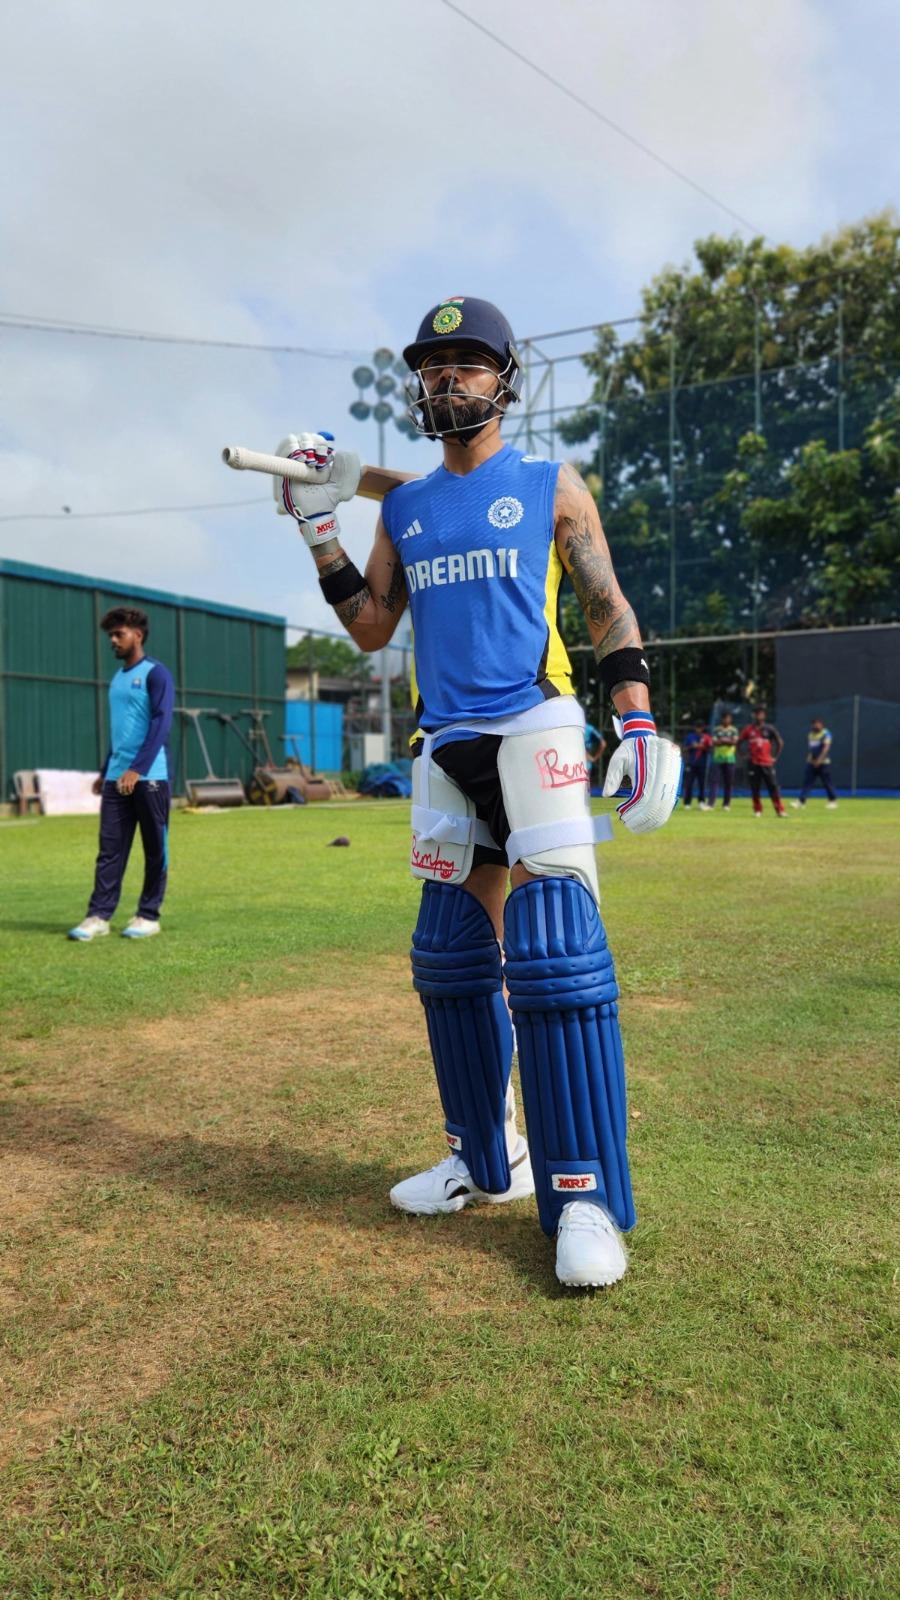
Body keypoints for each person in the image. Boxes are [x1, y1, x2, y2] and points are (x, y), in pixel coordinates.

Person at [273, 296, 681, 1290]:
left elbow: (607, 607)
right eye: (431, 365)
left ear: (505, 379)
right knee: (452, 957)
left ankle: (583, 1194)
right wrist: (320, 526)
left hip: (535, 726)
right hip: (445, 741)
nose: (445, 378)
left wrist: (635, 722)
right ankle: (484, 1159)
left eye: (467, 363)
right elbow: (370, 627)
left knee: (553, 951)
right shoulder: (405, 509)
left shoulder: (551, 486)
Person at [68, 607, 175, 941]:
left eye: (119, 634)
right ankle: (98, 916)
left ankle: (148, 915)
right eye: (110, 635)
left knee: (155, 847)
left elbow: (161, 724)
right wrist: (106, 770)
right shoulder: (117, 678)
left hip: (149, 777)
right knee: (110, 849)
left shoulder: (156, 673)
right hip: (118, 777)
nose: (113, 641)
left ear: (137, 635)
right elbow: (122, 733)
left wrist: (137, 769)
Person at [738, 704, 786, 817]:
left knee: (773, 786)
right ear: (753, 715)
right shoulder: (748, 729)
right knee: (755, 787)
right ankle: (757, 810)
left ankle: (780, 810)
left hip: (767, 763)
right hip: (753, 763)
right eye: (756, 713)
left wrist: (774, 757)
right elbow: (739, 743)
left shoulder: (769, 729)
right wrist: (743, 755)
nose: (758, 715)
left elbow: (780, 742)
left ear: (764, 715)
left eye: (761, 713)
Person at [791, 717, 838, 808]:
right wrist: (812, 761)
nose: (816, 725)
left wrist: (819, 761)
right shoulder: (810, 734)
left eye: (818, 723)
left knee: (827, 782)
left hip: (824, 763)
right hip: (812, 763)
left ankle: (832, 801)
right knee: (807, 782)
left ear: (822, 724)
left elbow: (826, 748)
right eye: (814, 724)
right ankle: (801, 801)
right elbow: (812, 749)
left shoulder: (826, 734)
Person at [705, 710, 738, 810]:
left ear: (730, 719)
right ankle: (711, 804)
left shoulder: (733, 730)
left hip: (730, 759)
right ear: (722, 719)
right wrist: (726, 741)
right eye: (725, 718)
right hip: (717, 759)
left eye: (728, 718)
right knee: (714, 782)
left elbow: (734, 742)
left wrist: (722, 740)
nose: (726, 720)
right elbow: (715, 742)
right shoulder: (716, 730)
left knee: (728, 782)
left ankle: (726, 804)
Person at [681, 719, 712, 807]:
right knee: (689, 783)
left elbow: (710, 749)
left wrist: (703, 747)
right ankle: (687, 803)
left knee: (702, 783)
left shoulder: (706, 737)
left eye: (700, 727)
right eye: (697, 727)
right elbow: (684, 748)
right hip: (691, 763)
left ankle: (701, 801)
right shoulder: (690, 737)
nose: (699, 729)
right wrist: (692, 746)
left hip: (702, 764)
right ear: (695, 728)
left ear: (703, 728)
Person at [584, 721, 606, 785]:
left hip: (575, 764)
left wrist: (594, 758)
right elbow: (603, 744)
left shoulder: (573, 727)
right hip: (585, 764)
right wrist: (594, 758)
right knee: (585, 789)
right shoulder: (589, 728)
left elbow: (603, 744)